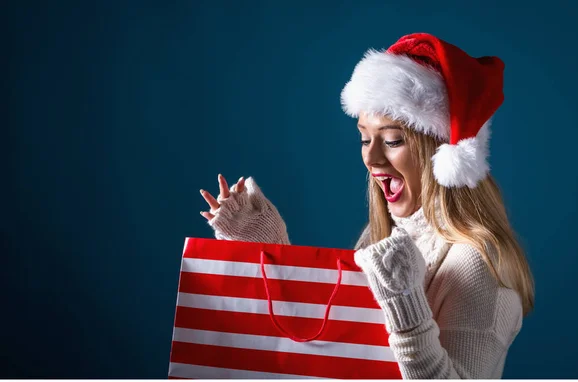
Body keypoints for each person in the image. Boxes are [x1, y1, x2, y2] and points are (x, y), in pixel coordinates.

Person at [199, 32, 534, 379]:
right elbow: (329, 355)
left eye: (392, 140)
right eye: (364, 137)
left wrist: (404, 300)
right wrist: (268, 249)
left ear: (440, 152)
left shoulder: (476, 264)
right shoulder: (384, 239)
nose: (371, 157)